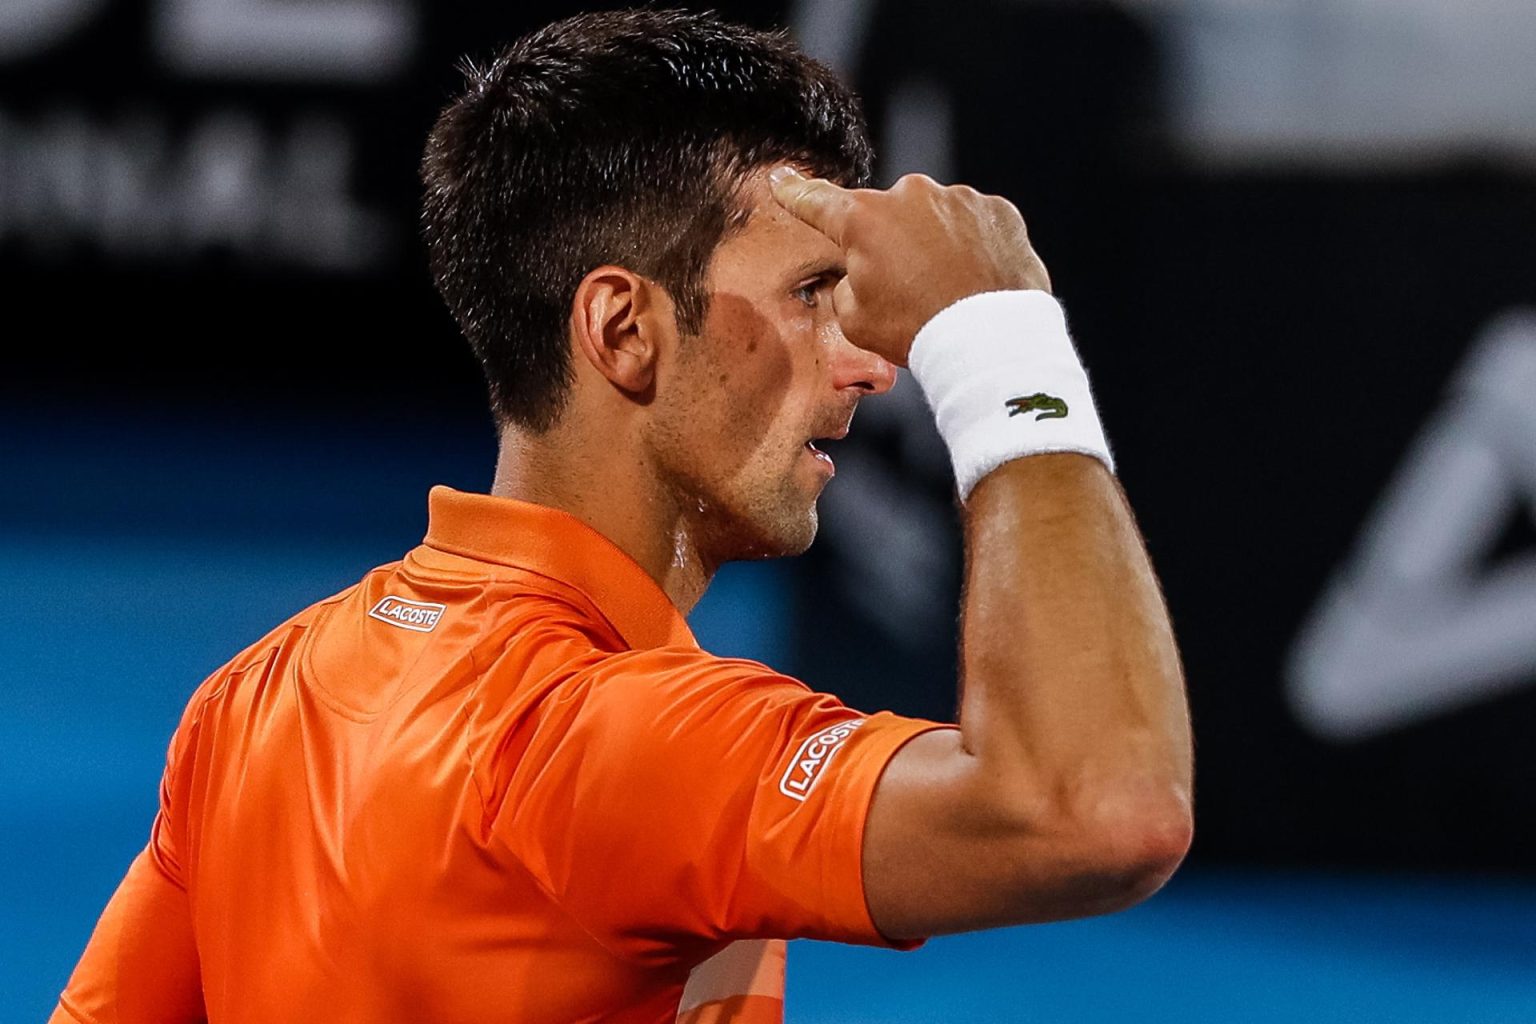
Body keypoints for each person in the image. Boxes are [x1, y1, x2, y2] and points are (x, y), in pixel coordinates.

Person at [51, 8, 1193, 1023]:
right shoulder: (617, 738)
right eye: (809, 297)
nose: (865, 365)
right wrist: (1001, 344)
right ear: (623, 330)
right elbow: (1099, 812)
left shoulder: (256, 694)